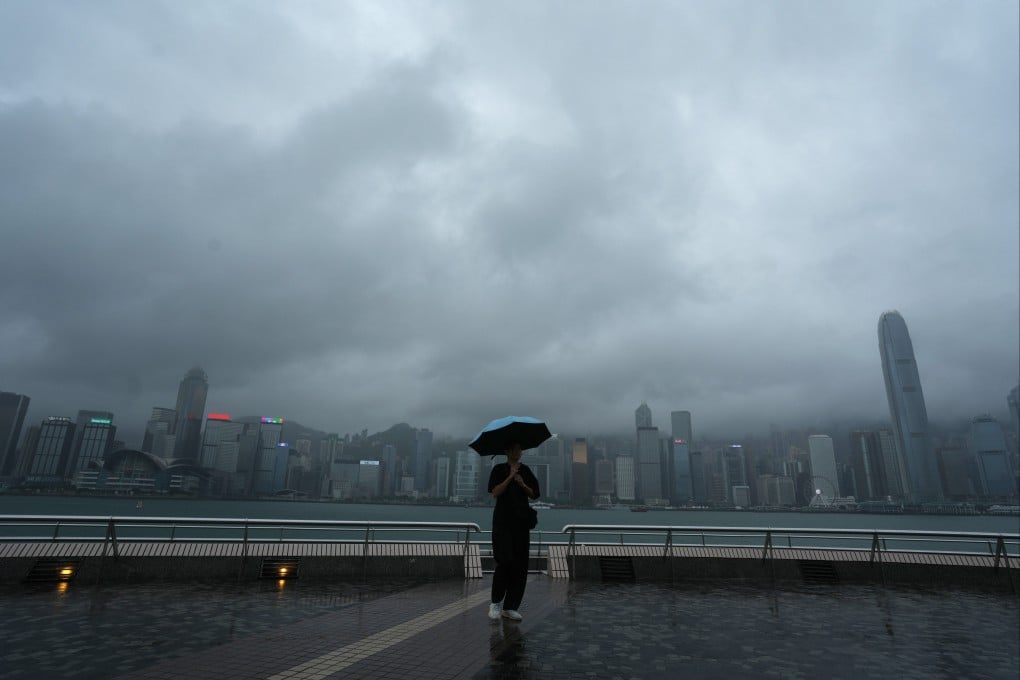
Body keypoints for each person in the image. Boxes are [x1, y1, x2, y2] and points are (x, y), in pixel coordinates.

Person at [487, 441, 540, 622]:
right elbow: (495, 492)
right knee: (504, 562)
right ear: (507, 451)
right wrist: (510, 477)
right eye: (516, 449)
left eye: (520, 449)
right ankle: (495, 603)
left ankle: (510, 607)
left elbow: (534, 494)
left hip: (521, 523)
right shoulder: (498, 470)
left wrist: (522, 483)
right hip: (502, 523)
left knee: (520, 565)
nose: (519, 452)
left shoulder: (526, 471)